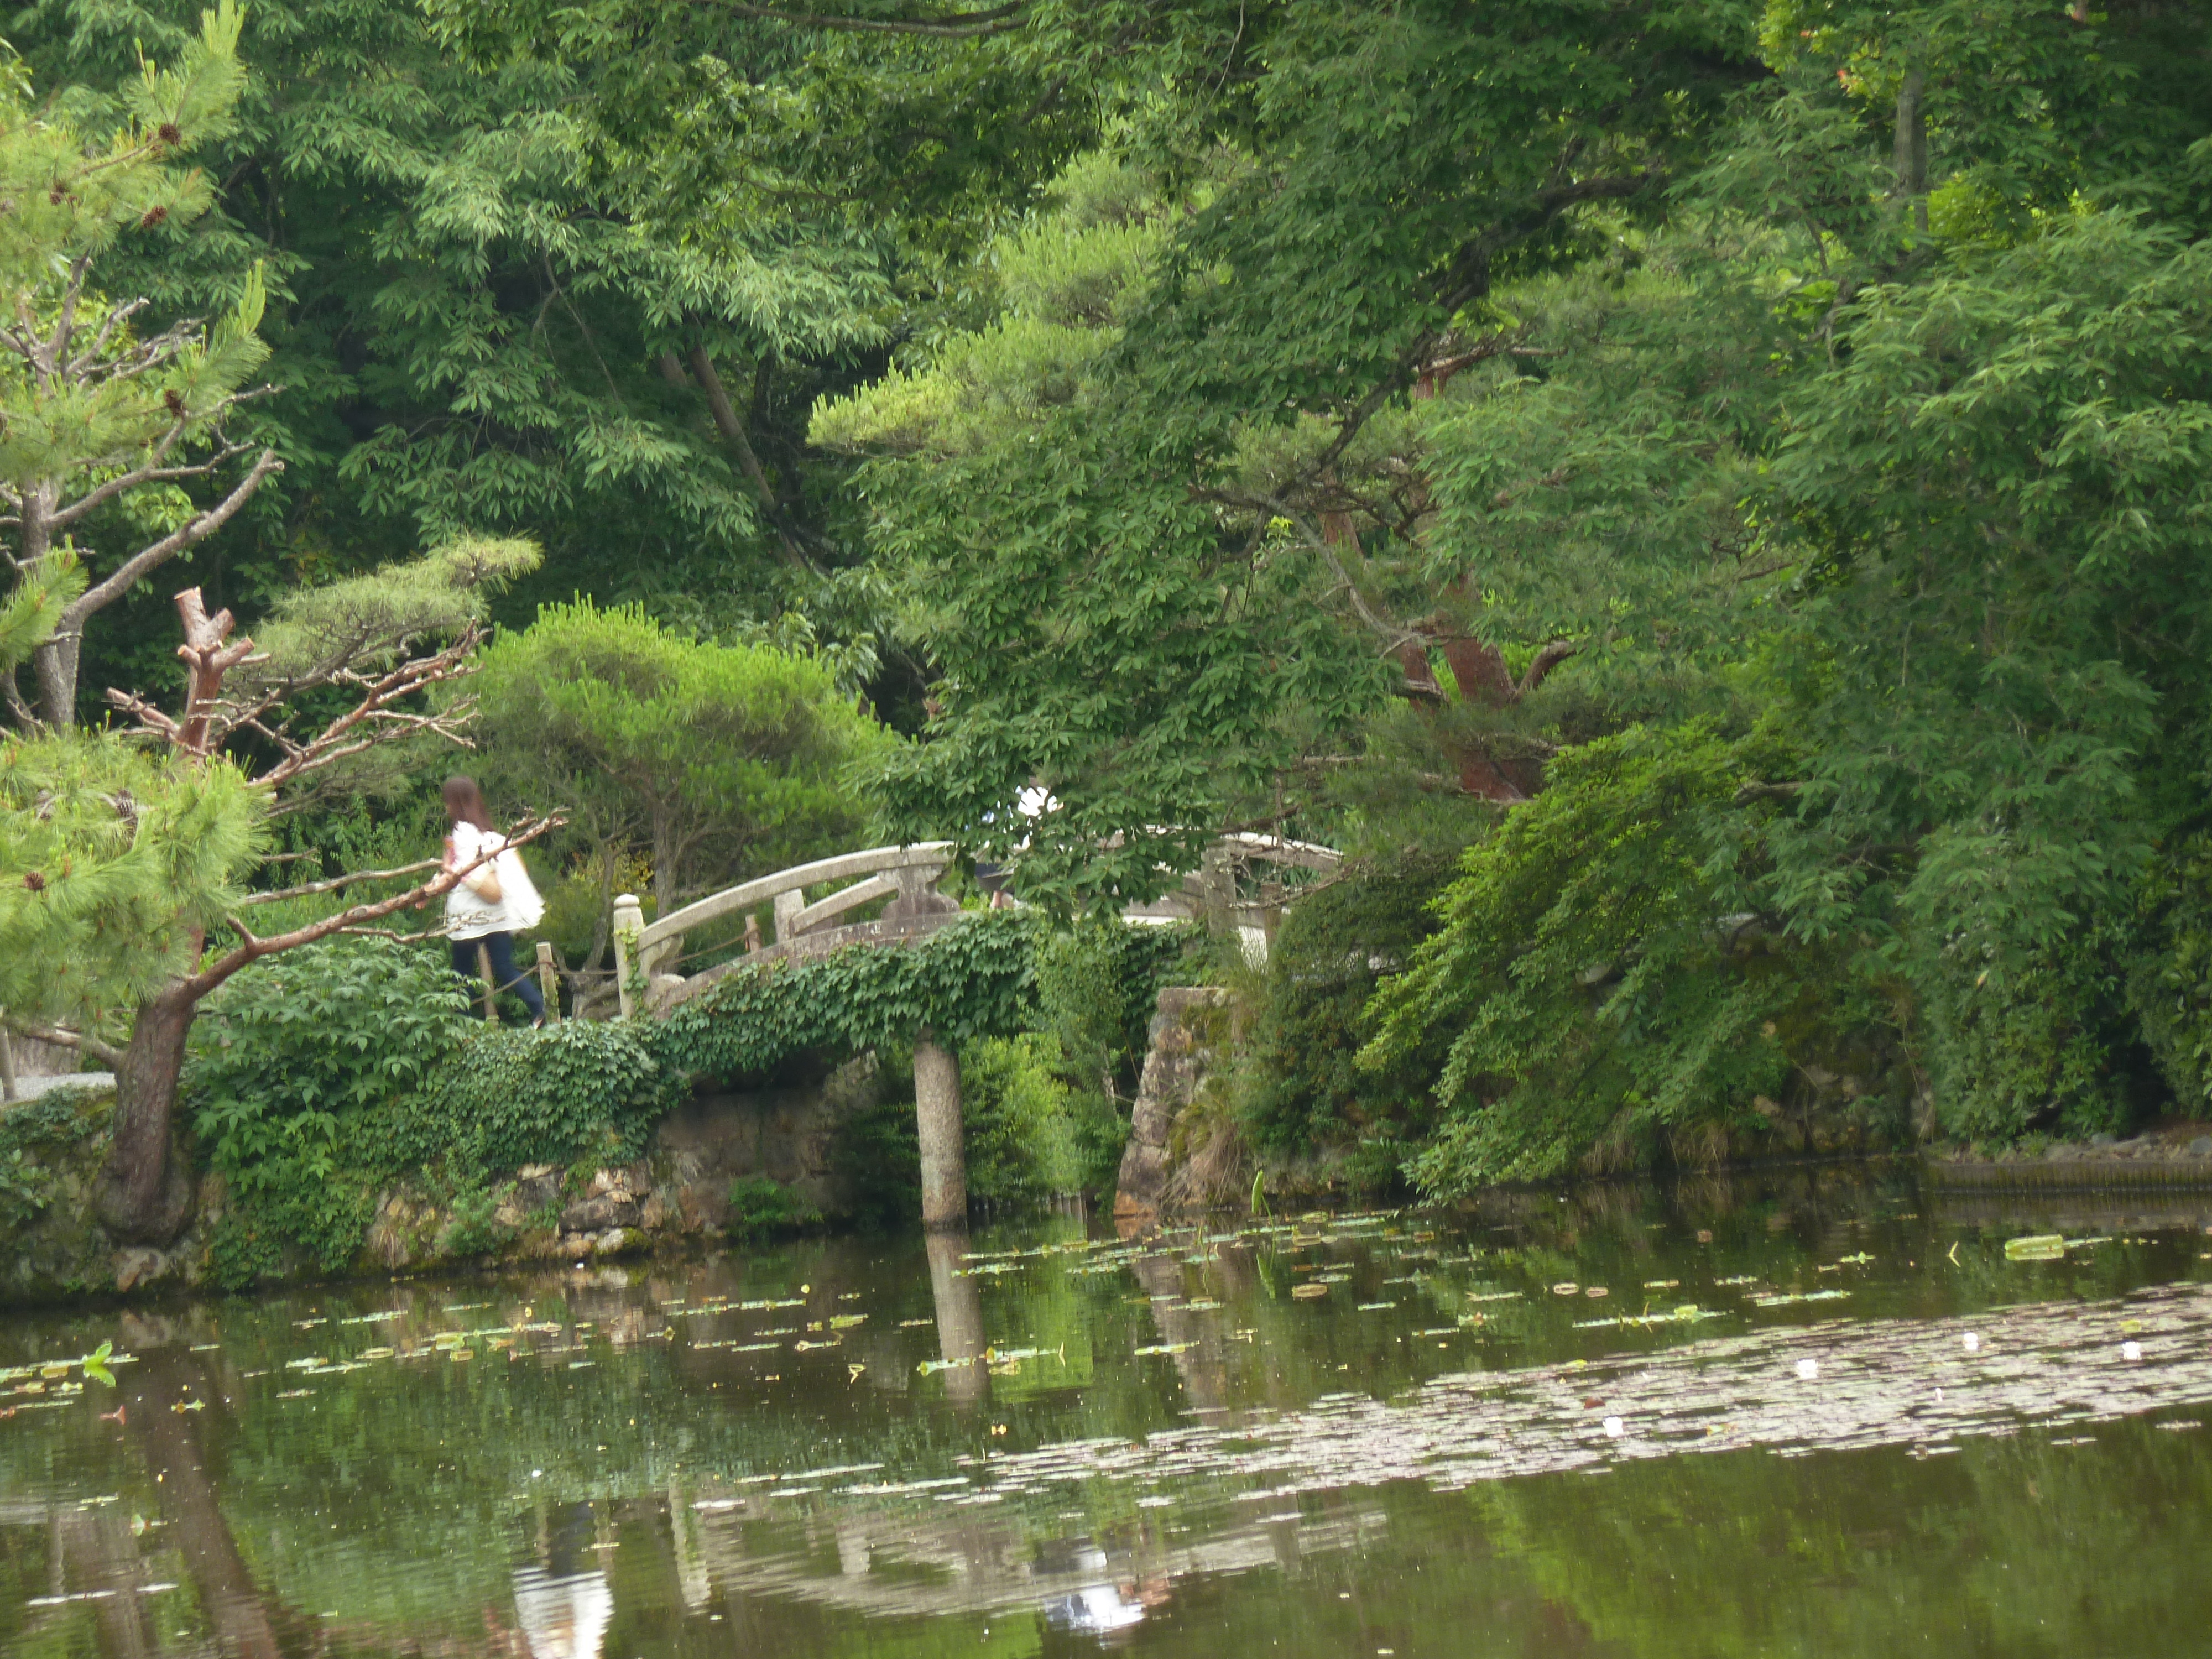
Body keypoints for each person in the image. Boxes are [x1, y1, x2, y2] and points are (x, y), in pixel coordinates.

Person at [441, 775, 548, 1024]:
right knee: (505, 968)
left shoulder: (460, 835)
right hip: (497, 913)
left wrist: (433, 884)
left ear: (455, 803)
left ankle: (464, 1028)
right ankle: (539, 1008)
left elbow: (456, 874)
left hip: (467, 917)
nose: (446, 807)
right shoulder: (490, 836)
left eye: (448, 801)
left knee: (462, 975)